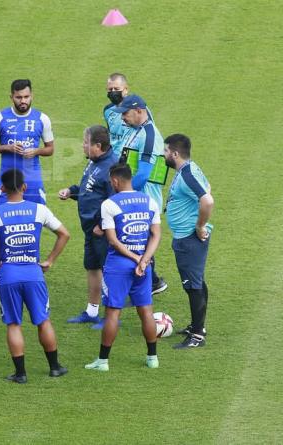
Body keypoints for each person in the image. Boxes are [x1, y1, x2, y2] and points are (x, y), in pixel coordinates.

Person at [0, 168, 70, 383]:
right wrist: (50, 260)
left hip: (8, 275)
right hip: (34, 273)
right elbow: (64, 233)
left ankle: (20, 373)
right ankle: (55, 367)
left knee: (13, 324)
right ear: (24, 187)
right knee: (43, 321)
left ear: (2, 189)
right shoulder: (39, 210)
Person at [85, 163, 162, 372]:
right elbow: (156, 235)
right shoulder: (150, 201)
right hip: (144, 266)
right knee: (146, 311)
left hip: (118, 266)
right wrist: (144, 260)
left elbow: (113, 240)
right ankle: (152, 358)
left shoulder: (110, 204)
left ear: (115, 181)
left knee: (112, 312)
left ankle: (103, 361)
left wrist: (135, 258)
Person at [59, 126, 117, 328]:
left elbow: (115, 201)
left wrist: (102, 225)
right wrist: (71, 191)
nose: (83, 146)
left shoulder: (112, 167)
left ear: (98, 146)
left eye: (86, 142)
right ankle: (92, 312)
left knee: (108, 271)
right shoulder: (94, 161)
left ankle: (111, 317)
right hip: (90, 229)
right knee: (92, 268)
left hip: (102, 231)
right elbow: (90, 189)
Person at [111, 94, 168, 295]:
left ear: (138, 111)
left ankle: (149, 284)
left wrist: (123, 196)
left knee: (142, 241)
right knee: (136, 239)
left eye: (125, 113)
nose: (122, 118)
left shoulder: (149, 135)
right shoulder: (138, 129)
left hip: (144, 198)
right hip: (136, 195)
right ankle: (150, 282)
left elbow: (143, 174)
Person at [163, 134, 214, 349]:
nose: (163, 154)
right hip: (186, 238)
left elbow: (207, 200)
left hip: (189, 239)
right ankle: (196, 326)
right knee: (196, 282)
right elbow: (207, 188)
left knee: (193, 286)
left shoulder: (187, 175)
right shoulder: (190, 168)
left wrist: (200, 226)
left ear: (175, 154)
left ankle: (197, 335)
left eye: (166, 151)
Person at [0, 79, 54, 205]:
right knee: (4, 215)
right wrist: (8, 148)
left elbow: (50, 149)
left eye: (26, 97)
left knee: (37, 215)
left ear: (32, 96)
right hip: (8, 180)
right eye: (19, 97)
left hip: (33, 181)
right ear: (11, 97)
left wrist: (36, 151)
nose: (23, 101)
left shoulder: (42, 119)